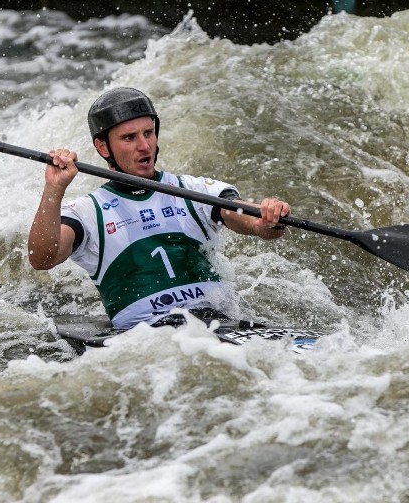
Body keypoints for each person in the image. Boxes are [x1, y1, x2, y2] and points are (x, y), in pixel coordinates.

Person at [27, 87, 290, 331]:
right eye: (129, 138)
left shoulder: (193, 190)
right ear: (103, 147)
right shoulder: (87, 211)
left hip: (218, 323)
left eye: (148, 133)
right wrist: (54, 189)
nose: (144, 146)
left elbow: (249, 220)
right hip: (147, 335)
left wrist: (267, 218)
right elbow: (41, 259)